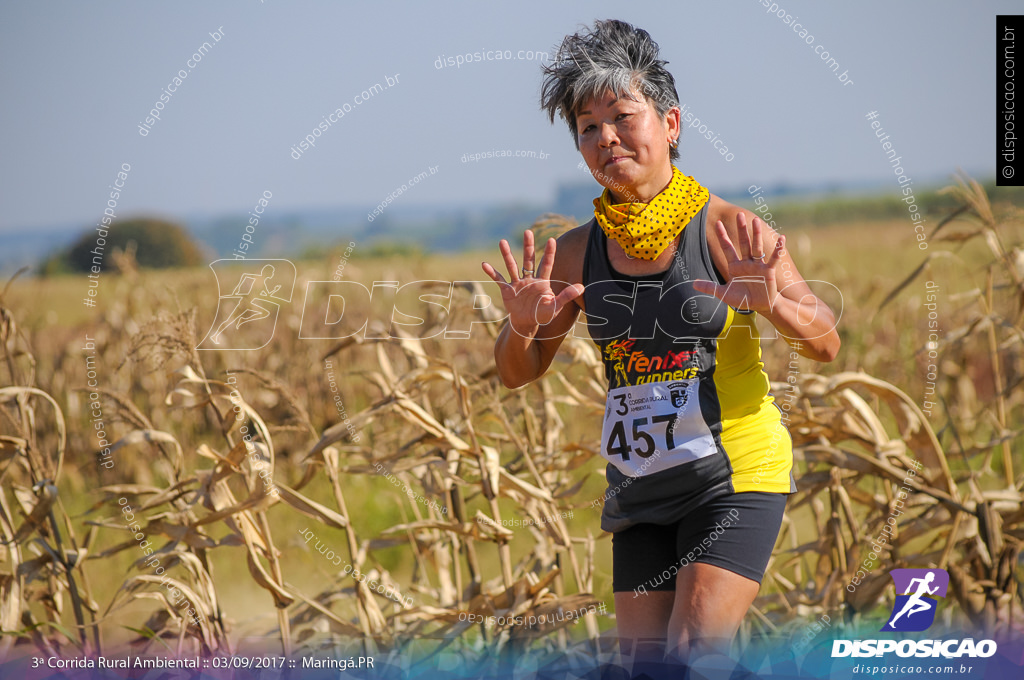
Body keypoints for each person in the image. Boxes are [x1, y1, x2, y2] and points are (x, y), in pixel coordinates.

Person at [480, 19, 840, 666]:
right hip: (640, 487)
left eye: (622, 115)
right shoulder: (574, 252)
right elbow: (516, 371)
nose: (606, 138)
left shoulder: (731, 231)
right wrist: (522, 323)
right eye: (588, 127)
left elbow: (826, 342)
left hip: (734, 476)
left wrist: (774, 302)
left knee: (694, 649)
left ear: (671, 124)